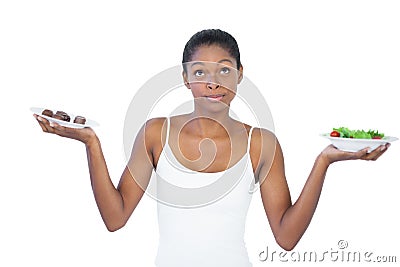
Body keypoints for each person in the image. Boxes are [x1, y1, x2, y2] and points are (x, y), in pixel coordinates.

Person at [33, 29, 390, 267]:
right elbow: (115, 218)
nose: (213, 83)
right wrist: (90, 143)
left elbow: (286, 237)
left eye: (223, 70)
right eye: (200, 72)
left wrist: (324, 161)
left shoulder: (260, 143)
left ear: (239, 74)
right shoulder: (156, 133)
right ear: (185, 77)